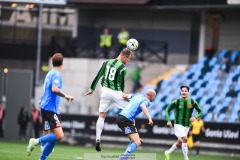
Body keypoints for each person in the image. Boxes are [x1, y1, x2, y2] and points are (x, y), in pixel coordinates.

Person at [26, 53, 74, 160]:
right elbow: (54, 89)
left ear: (52, 63)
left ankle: (41, 159)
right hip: (50, 109)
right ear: (62, 63)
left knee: (54, 138)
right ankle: (35, 141)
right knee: (60, 136)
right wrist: (66, 96)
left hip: (48, 108)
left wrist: (41, 100)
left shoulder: (49, 73)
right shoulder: (56, 74)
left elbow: (46, 90)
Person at [85, 48, 134, 152]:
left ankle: (98, 138)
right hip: (116, 92)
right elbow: (121, 84)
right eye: (128, 59)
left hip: (105, 91)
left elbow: (98, 75)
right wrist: (122, 95)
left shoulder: (106, 62)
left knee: (102, 116)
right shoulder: (122, 68)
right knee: (132, 110)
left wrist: (92, 88)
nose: (128, 61)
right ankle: (133, 137)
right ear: (124, 56)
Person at [164, 85, 203, 160]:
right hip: (178, 124)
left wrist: (195, 117)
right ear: (181, 92)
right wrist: (168, 120)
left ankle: (168, 153)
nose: (184, 92)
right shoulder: (177, 102)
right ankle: (186, 158)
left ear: (188, 92)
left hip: (187, 125)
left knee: (179, 143)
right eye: (182, 91)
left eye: (185, 91)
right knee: (185, 139)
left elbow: (201, 112)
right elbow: (167, 110)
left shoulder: (192, 102)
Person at [116, 89, 156, 160]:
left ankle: (124, 157)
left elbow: (124, 95)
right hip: (127, 119)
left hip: (120, 117)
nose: (154, 98)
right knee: (138, 142)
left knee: (133, 140)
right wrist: (149, 118)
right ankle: (123, 158)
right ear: (151, 96)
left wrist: (131, 102)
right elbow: (142, 106)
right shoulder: (147, 101)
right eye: (154, 96)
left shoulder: (137, 95)